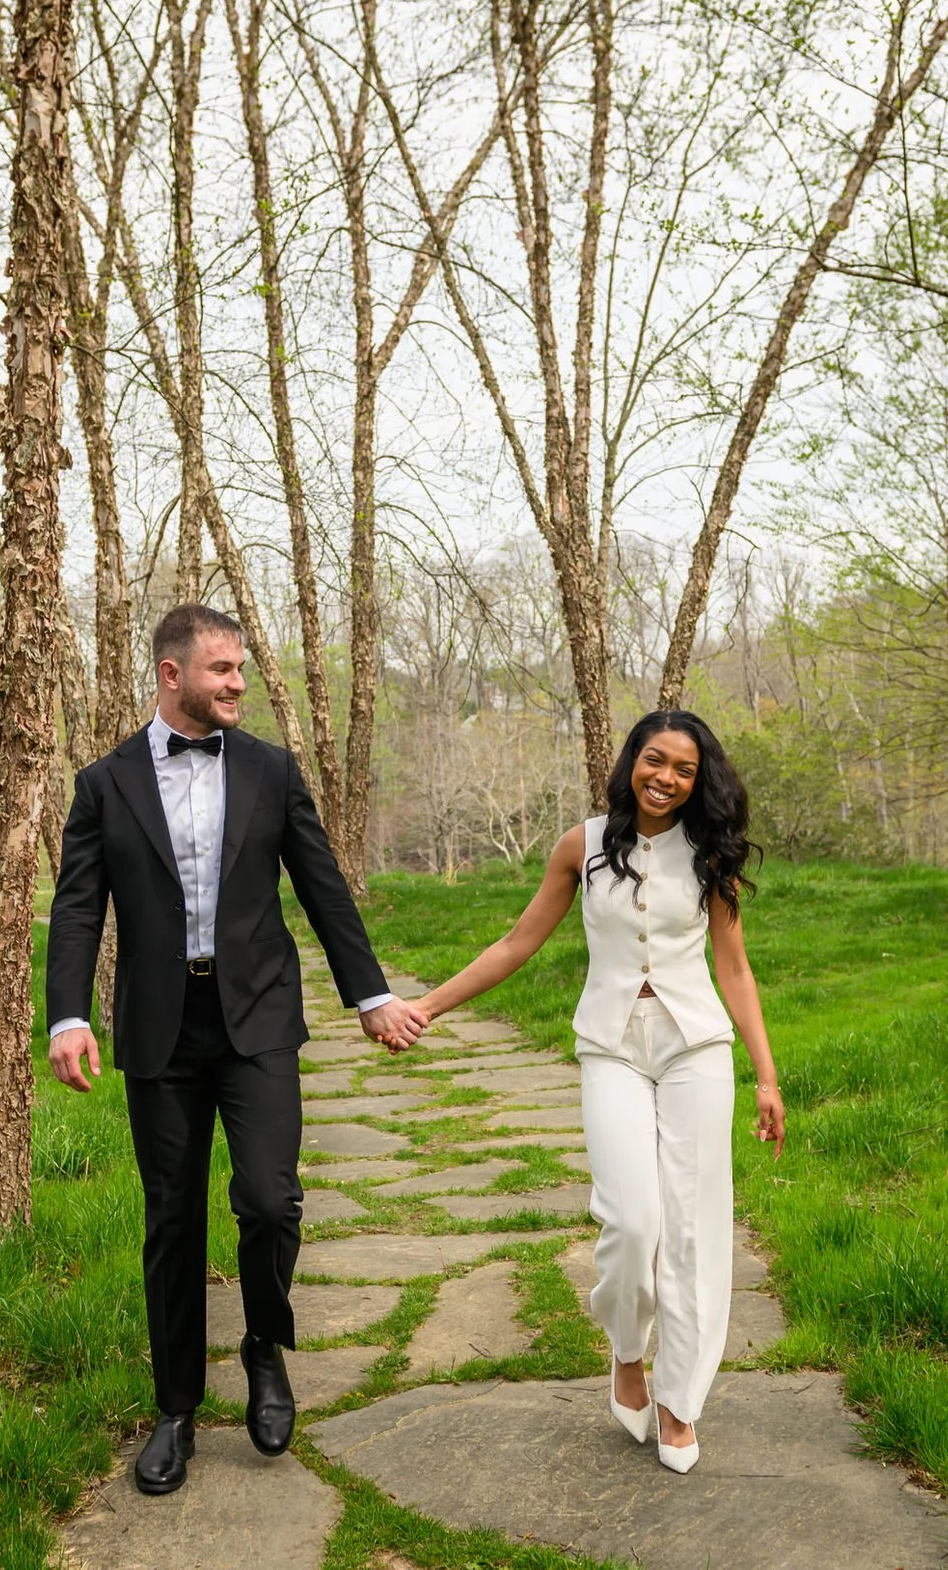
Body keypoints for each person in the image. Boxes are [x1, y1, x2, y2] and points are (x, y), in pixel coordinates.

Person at [45, 603, 427, 1497]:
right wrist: (68, 1015)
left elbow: (322, 885)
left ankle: (264, 1348)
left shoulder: (269, 768)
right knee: (172, 1219)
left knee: (268, 1199)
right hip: (159, 1031)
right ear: (172, 674)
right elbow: (75, 908)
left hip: (258, 1019)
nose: (238, 684)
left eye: (241, 669)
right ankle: (174, 1407)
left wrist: (369, 992)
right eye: (222, 668)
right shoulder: (104, 784)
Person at [410, 710, 784, 1473]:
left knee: (694, 1229)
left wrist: (767, 1075)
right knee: (633, 1220)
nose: (667, 778)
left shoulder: (710, 851)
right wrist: (426, 1006)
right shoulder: (581, 845)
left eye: (684, 768)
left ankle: (681, 1399)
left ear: (697, 778)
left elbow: (734, 966)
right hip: (612, 1045)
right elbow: (519, 941)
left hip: (696, 1048)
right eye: (655, 760)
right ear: (631, 761)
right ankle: (626, 1353)